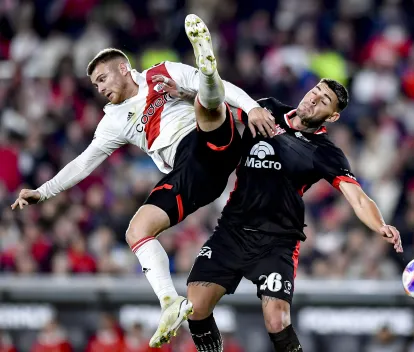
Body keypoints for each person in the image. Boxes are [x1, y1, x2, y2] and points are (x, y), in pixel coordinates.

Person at [10, 14, 275, 348]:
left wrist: (251, 108)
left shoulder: (160, 73)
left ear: (123, 68)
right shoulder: (113, 121)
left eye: (103, 78)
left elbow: (229, 95)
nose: (100, 88)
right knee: (136, 230)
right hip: (193, 177)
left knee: (207, 105)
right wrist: (42, 192)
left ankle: (208, 71)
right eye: (95, 85)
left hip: (206, 142)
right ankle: (170, 302)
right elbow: (83, 163)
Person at [164, 78, 402, 352]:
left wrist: (380, 224)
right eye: (316, 91)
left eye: (323, 101)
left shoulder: (324, 152)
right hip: (232, 230)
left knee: (277, 320)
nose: (313, 99)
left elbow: (357, 196)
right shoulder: (266, 110)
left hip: (277, 241)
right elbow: (221, 106)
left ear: (333, 116)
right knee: (195, 308)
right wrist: (186, 93)